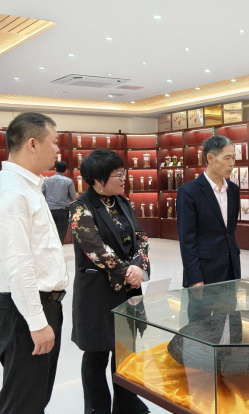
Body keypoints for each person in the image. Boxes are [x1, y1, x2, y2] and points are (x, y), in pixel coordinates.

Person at [69, 149, 150, 414]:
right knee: (97, 354)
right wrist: (128, 271)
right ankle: (97, 409)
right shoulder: (80, 207)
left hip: (128, 289)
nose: (124, 178)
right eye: (118, 175)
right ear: (98, 180)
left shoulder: (124, 202)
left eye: (123, 173)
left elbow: (141, 239)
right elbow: (95, 249)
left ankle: (126, 406)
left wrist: (138, 266)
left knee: (125, 351)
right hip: (98, 292)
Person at [0, 112, 69, 414]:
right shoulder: (13, 192)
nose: (58, 150)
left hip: (40, 306)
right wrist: (37, 322)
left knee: (35, 396)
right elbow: (18, 264)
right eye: (54, 142)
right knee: (23, 402)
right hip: (27, 310)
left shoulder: (29, 186)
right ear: (32, 144)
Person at [177, 135, 241, 288]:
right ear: (210, 158)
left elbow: (230, 231)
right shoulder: (189, 192)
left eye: (234, 158)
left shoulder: (233, 190)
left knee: (230, 304)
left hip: (231, 269)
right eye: (227, 158)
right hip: (204, 272)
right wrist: (194, 278)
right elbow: (187, 240)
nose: (232, 163)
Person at [42, 160, 77, 242]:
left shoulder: (47, 180)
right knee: (61, 231)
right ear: (65, 170)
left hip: (49, 209)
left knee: (51, 231)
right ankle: (60, 247)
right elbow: (73, 195)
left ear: (55, 169)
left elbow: (42, 193)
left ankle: (52, 247)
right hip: (63, 209)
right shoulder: (68, 181)